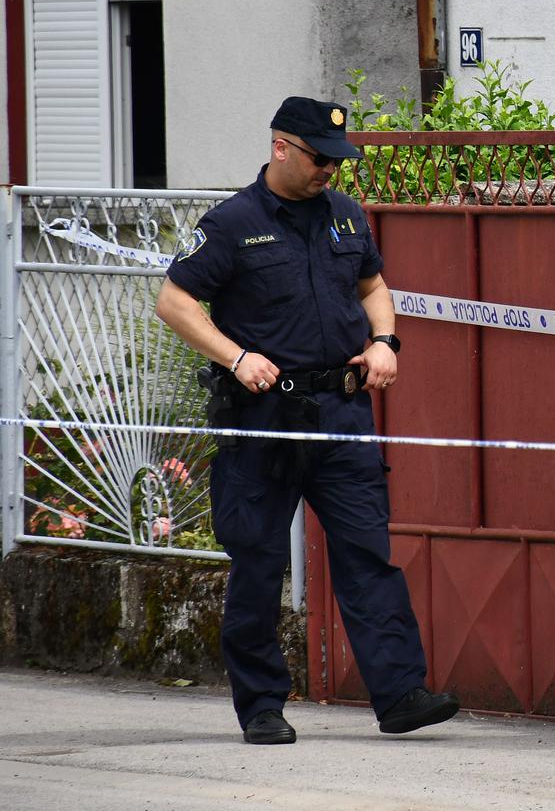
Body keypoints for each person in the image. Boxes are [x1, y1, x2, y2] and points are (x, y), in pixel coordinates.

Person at [156, 97, 460, 745]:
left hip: (343, 412)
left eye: (338, 160)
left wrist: (385, 343)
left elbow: (374, 287)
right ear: (282, 148)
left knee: (366, 554)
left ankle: (400, 693)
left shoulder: (347, 217)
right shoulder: (234, 222)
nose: (331, 171)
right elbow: (174, 300)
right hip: (263, 418)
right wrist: (236, 359)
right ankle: (262, 704)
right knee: (261, 562)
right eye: (320, 158)